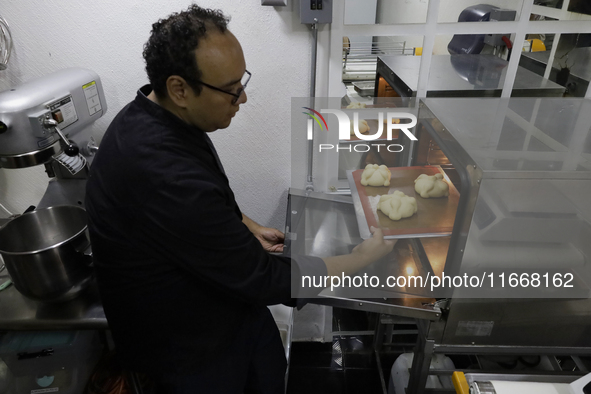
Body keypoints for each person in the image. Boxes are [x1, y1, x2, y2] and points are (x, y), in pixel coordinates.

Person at [85, 4, 394, 393]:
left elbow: (200, 204)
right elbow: (262, 279)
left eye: (241, 82)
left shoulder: (156, 112)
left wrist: (243, 226)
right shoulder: (160, 170)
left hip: (222, 307)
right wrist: (358, 260)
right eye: (231, 91)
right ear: (180, 88)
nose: (243, 99)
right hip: (188, 350)